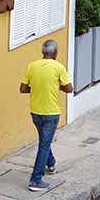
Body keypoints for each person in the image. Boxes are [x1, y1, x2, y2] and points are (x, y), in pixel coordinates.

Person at [20, 39, 72, 191]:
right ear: (55, 53)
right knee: (44, 144)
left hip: (36, 112)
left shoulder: (32, 66)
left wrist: (36, 89)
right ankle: (35, 180)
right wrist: (58, 87)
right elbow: (69, 89)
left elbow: (23, 89)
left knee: (44, 140)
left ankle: (51, 164)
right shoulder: (58, 67)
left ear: (43, 52)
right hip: (51, 113)